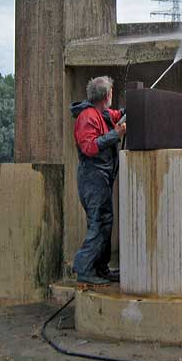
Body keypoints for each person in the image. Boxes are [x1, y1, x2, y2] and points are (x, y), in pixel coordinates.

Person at [69, 76, 126, 287]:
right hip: (92, 178)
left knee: (104, 222)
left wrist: (129, 110)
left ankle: (100, 268)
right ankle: (83, 268)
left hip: (101, 177)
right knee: (99, 222)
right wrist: (116, 134)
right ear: (107, 95)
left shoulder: (101, 113)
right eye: (112, 92)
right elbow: (90, 147)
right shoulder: (87, 117)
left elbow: (116, 115)